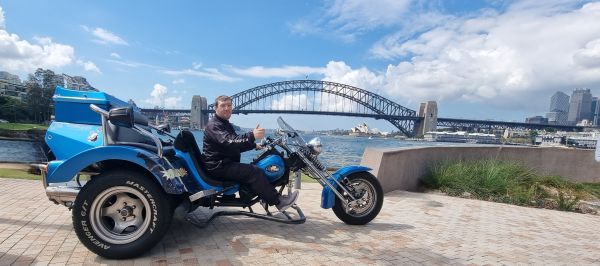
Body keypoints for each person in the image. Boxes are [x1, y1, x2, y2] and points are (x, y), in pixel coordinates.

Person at [202, 95, 299, 211]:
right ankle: (278, 202)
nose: (227, 108)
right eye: (223, 106)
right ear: (215, 108)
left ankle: (263, 194)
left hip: (223, 163)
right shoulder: (214, 125)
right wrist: (252, 135)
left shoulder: (223, 123)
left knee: (256, 165)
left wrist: (254, 145)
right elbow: (229, 141)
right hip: (219, 166)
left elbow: (232, 144)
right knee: (254, 172)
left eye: (229, 105)